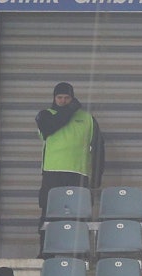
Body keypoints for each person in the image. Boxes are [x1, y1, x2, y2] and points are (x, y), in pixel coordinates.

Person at [35, 81, 104, 225]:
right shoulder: (45, 115)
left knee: (79, 217)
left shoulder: (87, 119)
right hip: (52, 174)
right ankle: (46, 247)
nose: (63, 101)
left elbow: (98, 148)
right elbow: (51, 126)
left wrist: (96, 177)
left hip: (78, 173)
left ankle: (79, 247)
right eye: (59, 97)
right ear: (54, 98)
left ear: (72, 98)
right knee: (49, 216)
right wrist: (71, 109)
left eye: (66, 97)